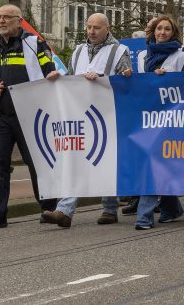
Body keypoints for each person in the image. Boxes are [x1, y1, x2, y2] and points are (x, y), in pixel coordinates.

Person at [42, 13, 132, 228]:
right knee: (77, 160)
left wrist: (102, 78)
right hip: (81, 114)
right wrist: (59, 78)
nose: (91, 31)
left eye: (96, 28)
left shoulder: (119, 51)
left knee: (105, 160)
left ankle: (110, 208)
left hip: (107, 114)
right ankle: (64, 210)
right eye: (89, 27)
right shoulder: (79, 50)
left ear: (107, 28)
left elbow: (126, 82)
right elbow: (72, 80)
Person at [0, 5, 58, 230]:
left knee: (37, 164)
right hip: (2, 116)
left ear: (19, 21)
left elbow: (49, 69)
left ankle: (49, 209)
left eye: (6, 17)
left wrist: (52, 75)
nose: (1, 21)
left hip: (31, 115)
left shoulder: (34, 43)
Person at [133, 14, 184, 230]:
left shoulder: (182, 55)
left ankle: (144, 216)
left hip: (172, 117)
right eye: (159, 29)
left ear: (173, 32)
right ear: (153, 32)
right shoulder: (142, 57)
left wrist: (168, 79)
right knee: (158, 162)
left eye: (167, 29)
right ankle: (171, 208)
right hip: (148, 116)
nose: (162, 32)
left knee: (153, 161)